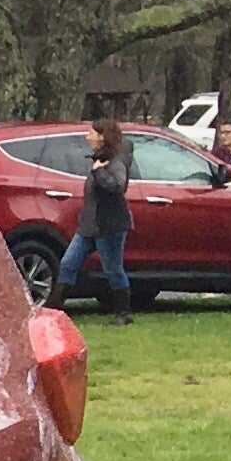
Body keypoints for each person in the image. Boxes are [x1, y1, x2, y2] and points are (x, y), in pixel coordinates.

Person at [58, 114, 137, 323]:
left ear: (102, 136)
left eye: (91, 133)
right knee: (68, 263)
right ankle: (54, 310)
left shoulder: (116, 160)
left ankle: (123, 313)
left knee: (113, 269)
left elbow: (118, 186)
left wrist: (99, 172)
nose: (87, 137)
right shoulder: (100, 158)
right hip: (89, 226)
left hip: (109, 225)